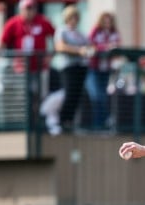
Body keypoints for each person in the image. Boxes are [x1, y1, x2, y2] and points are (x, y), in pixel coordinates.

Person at [0, 0, 55, 124]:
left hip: (40, 68)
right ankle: (25, 123)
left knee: (40, 96)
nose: (29, 11)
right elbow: (3, 43)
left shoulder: (43, 21)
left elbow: (56, 37)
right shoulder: (13, 23)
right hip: (21, 69)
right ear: (21, 9)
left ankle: (39, 123)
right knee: (23, 97)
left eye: (32, 8)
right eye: (27, 8)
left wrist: (50, 56)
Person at [54, 4, 92, 133]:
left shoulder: (80, 34)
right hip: (68, 67)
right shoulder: (62, 31)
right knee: (69, 94)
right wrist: (78, 50)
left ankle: (70, 122)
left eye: (76, 17)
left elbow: (89, 46)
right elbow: (60, 47)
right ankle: (62, 121)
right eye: (71, 17)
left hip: (81, 67)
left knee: (77, 95)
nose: (74, 20)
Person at [86, 11, 121, 131]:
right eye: (105, 20)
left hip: (106, 70)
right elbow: (90, 46)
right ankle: (99, 122)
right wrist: (105, 47)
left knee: (103, 96)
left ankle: (102, 123)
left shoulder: (114, 33)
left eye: (109, 21)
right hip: (94, 69)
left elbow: (118, 46)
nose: (107, 23)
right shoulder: (95, 31)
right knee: (96, 95)